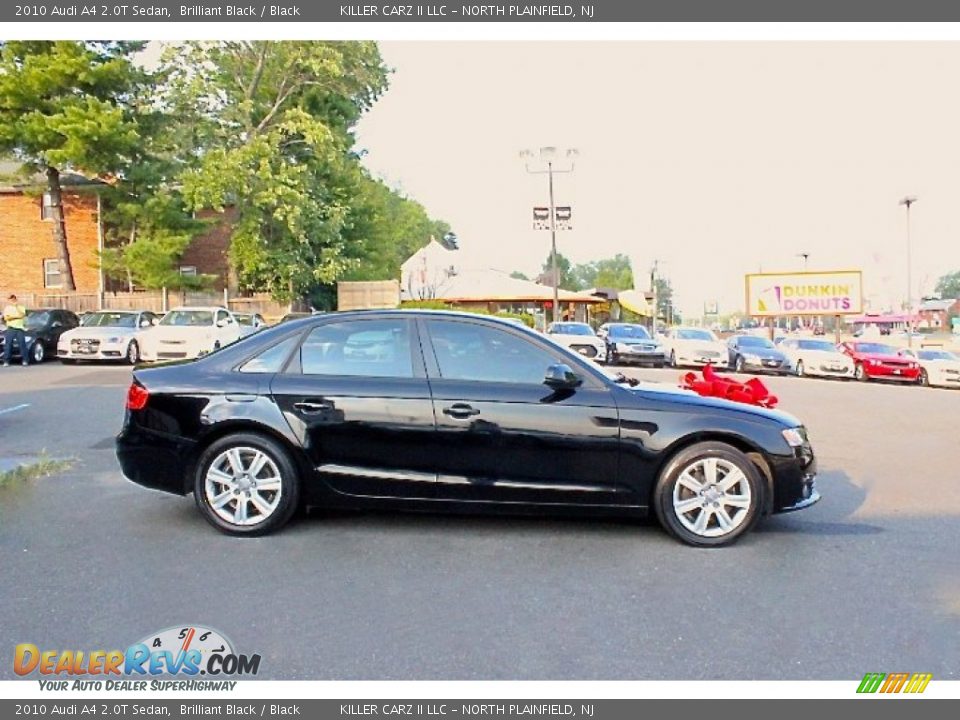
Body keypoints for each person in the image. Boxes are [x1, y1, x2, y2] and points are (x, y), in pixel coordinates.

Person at [2, 294, 28, 367]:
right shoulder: (7, 308)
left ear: (16, 299)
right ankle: (6, 361)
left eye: (13, 299)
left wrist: (16, 308)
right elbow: (6, 318)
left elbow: (21, 315)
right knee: (8, 345)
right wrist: (15, 317)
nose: (12, 301)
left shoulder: (21, 307)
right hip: (11, 328)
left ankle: (25, 360)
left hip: (19, 328)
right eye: (10, 299)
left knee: (22, 344)